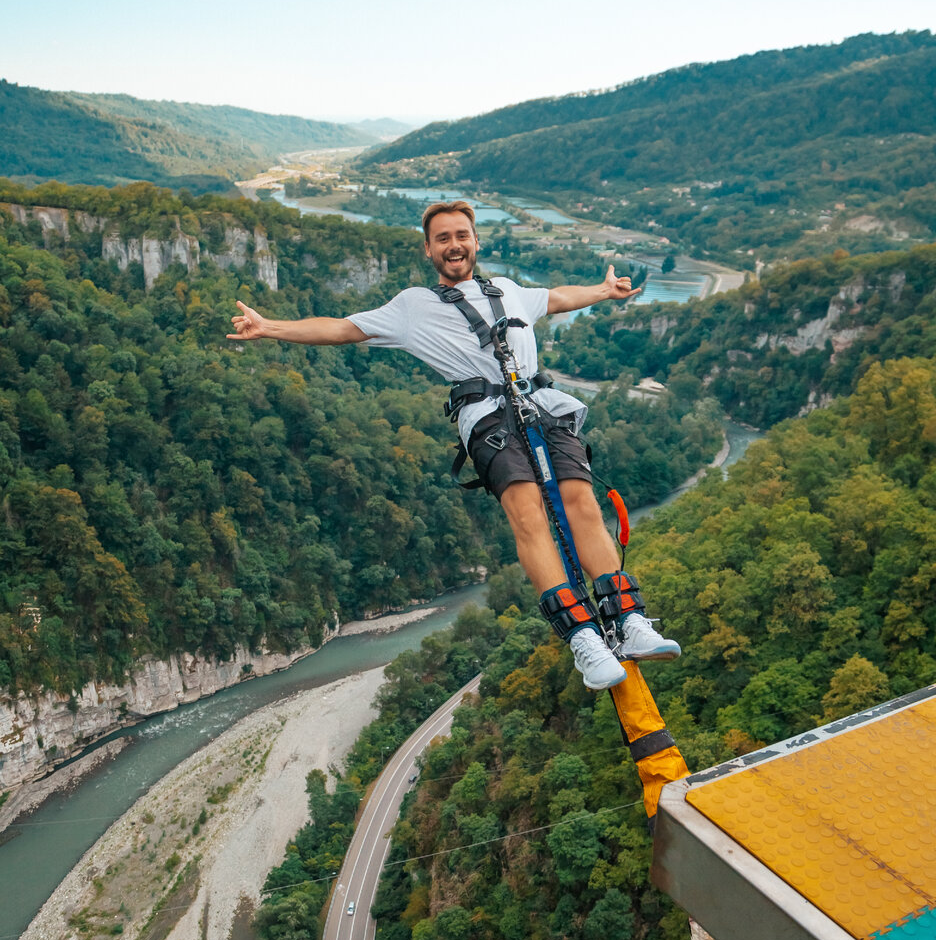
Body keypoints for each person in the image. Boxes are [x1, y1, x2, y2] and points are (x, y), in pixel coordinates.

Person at [228, 200, 680, 690]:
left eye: (461, 235)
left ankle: (626, 619)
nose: (454, 245)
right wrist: (269, 327)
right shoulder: (411, 308)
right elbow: (341, 328)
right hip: (487, 416)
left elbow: (554, 298)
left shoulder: (506, 290)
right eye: (442, 239)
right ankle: (584, 639)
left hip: (541, 402)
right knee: (527, 513)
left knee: (583, 505)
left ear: (475, 241)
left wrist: (602, 291)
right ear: (429, 250)